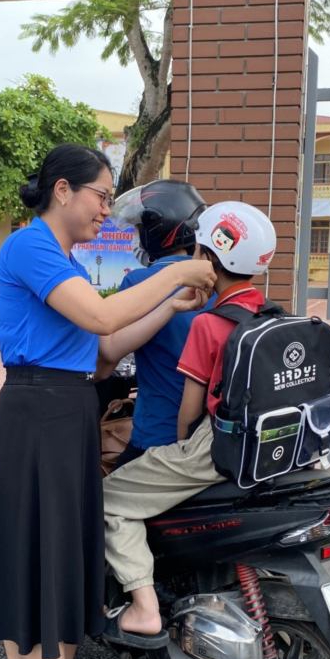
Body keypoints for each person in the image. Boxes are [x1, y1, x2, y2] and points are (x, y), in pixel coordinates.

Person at [0, 144, 215, 659]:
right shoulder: (31, 247)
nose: (108, 209)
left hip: (62, 411)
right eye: (102, 195)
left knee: (41, 565)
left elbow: (104, 348)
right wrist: (181, 272)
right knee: (47, 572)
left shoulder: (64, 259)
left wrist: (168, 305)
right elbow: (104, 315)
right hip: (42, 415)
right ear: (63, 190)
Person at [101, 201, 276, 648]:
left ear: (207, 257)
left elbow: (189, 409)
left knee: (108, 500)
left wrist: (181, 446)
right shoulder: (268, 314)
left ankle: (144, 607)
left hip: (206, 446)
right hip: (261, 449)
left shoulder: (208, 322)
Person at [98, 181, 214, 468]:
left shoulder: (137, 281)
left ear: (158, 230)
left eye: (139, 230)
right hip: (207, 438)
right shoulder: (214, 284)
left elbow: (108, 355)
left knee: (105, 492)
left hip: (154, 436)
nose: (137, 238)